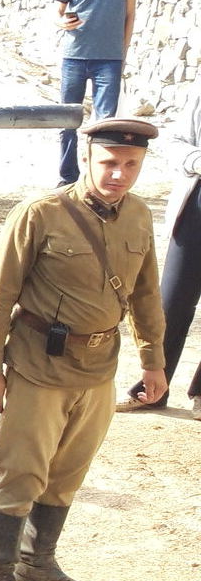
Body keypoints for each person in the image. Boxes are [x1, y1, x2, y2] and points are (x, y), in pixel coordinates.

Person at [0, 117, 167, 581]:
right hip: (39, 364)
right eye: (109, 162)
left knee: (68, 471)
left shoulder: (139, 215)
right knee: (23, 471)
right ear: (86, 158)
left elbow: (146, 294)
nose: (119, 174)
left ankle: (39, 561)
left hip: (99, 368)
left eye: (131, 165)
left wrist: (153, 362)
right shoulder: (41, 214)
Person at [121, 92, 200, 415]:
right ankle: (152, 389)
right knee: (172, 300)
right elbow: (176, 142)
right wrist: (197, 161)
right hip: (197, 205)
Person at [51, 0, 142, 186]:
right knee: (68, 120)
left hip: (109, 60)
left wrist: (123, 53)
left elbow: (130, 14)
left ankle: (96, 179)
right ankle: (67, 179)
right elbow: (56, 11)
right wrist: (61, 22)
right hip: (74, 56)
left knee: (105, 125)